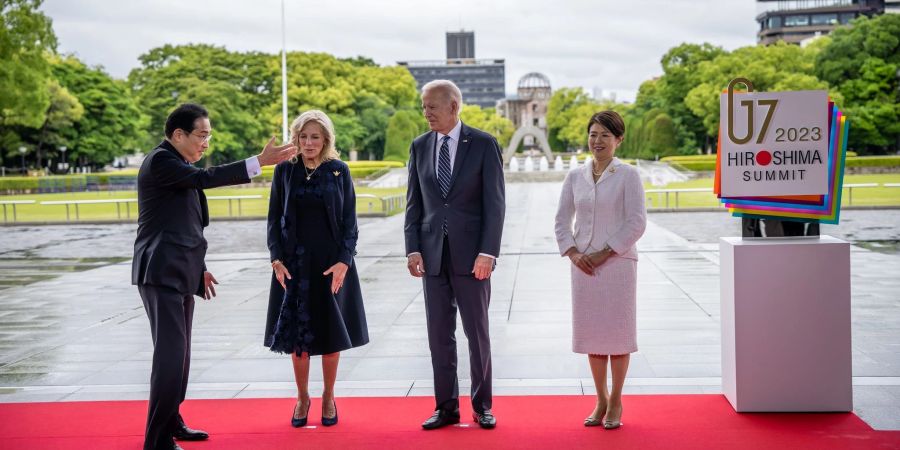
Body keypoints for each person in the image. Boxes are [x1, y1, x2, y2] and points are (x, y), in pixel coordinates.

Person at [132, 103, 296, 450]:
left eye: (208, 135)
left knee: (181, 355)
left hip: (180, 270)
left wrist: (200, 268)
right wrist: (258, 162)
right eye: (201, 135)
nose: (206, 142)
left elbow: (187, 226)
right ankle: (156, 440)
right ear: (178, 135)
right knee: (170, 356)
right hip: (160, 271)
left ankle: (171, 421)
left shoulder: (178, 164)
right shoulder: (161, 161)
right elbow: (205, 180)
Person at [404, 80, 506, 430]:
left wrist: (488, 252)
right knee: (438, 335)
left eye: (432, 105)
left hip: (472, 258)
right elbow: (414, 203)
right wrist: (413, 248)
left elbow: (495, 205)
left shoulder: (483, 144)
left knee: (477, 334)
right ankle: (446, 407)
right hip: (432, 256)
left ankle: (482, 406)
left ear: (454, 107)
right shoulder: (419, 146)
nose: (426, 112)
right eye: (424, 106)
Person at [265, 110, 368, 428]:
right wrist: (275, 258)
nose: (308, 143)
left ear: (326, 140)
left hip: (331, 264)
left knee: (331, 334)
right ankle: (302, 397)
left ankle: (328, 396)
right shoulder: (284, 170)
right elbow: (272, 219)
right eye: (303, 136)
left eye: (315, 137)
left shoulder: (339, 171)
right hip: (292, 265)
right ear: (295, 139)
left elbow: (350, 222)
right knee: (298, 337)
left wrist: (344, 260)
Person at [553, 110, 646, 430]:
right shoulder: (574, 176)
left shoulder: (629, 175)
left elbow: (637, 221)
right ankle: (601, 398)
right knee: (593, 337)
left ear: (618, 139)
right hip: (583, 267)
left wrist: (606, 252)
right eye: (593, 134)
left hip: (618, 264)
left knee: (618, 337)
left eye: (605, 135)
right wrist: (573, 253)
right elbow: (562, 220)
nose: (598, 141)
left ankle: (617, 399)